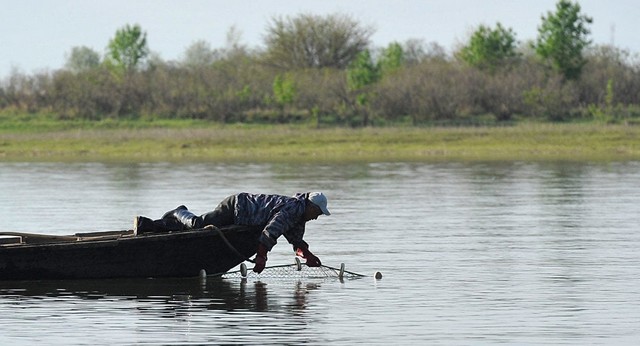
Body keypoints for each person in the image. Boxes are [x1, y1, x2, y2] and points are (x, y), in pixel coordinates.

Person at [134, 192, 331, 273]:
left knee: (195, 230)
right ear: (311, 207)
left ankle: (150, 225)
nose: (317, 217)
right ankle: (179, 212)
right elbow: (272, 230)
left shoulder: (299, 215)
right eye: (318, 213)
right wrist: (261, 256)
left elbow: (295, 239)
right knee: (197, 225)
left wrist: (307, 255)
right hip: (237, 206)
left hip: (244, 215)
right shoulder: (292, 210)